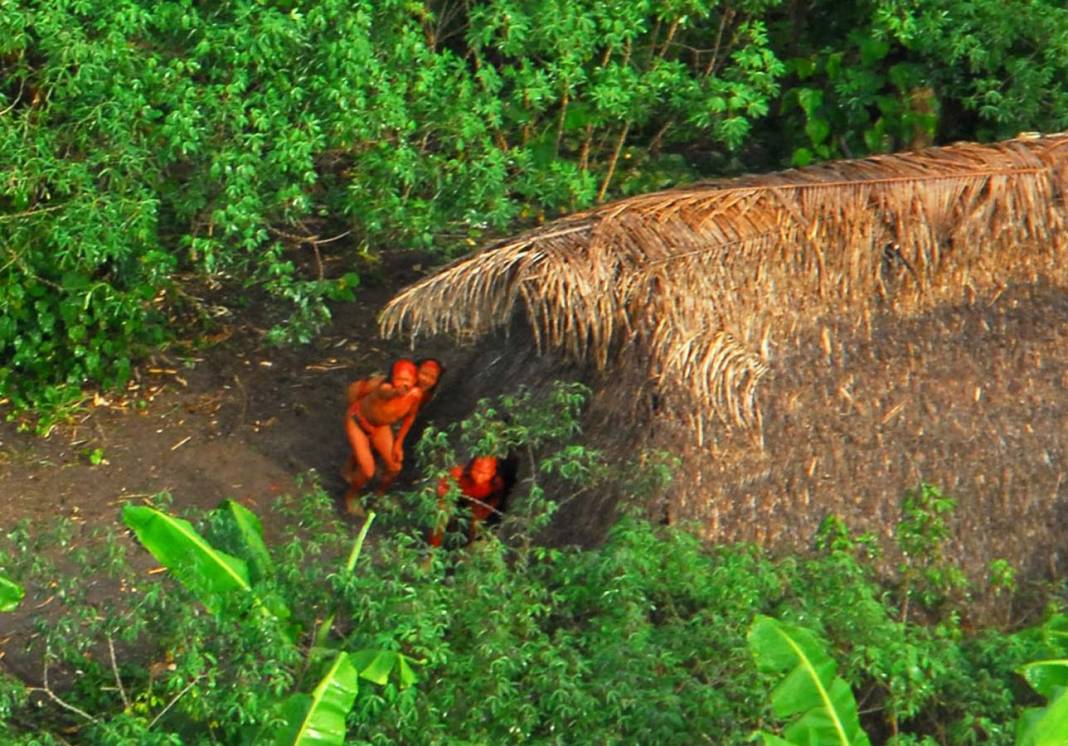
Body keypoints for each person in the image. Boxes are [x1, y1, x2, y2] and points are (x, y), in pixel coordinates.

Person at [341, 359, 424, 515]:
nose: (403, 383)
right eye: (399, 378)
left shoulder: (416, 394)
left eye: (408, 379)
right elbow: (387, 393)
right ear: (391, 378)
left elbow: (410, 417)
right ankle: (352, 495)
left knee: (395, 467)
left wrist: (399, 443)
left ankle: (379, 494)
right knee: (367, 471)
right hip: (358, 422)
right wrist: (396, 392)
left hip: (380, 427)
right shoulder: (384, 388)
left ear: (415, 380)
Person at [428, 455, 506, 548]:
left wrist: (484, 513)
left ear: (492, 472)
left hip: (478, 502)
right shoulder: (458, 473)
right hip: (454, 498)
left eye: (484, 473)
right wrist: (448, 498)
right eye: (477, 471)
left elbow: (496, 498)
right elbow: (441, 486)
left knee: (478, 523)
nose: (479, 476)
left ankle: (469, 549)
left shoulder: (496, 483)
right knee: (441, 513)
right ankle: (432, 549)